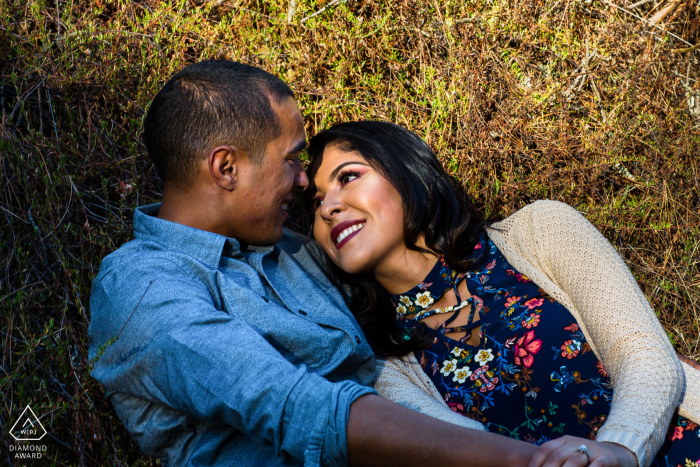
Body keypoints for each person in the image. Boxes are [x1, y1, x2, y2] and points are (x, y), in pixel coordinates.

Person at [87, 60, 562, 467]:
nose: (302, 181)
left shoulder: (293, 250)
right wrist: (527, 460)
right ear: (226, 168)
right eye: (293, 159)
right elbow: (295, 406)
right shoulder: (141, 286)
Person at [306, 121, 700, 467]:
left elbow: (641, 349)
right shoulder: (383, 364)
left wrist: (621, 448)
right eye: (317, 201)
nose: (328, 208)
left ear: (405, 168)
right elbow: (466, 451)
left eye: (348, 177)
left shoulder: (539, 232)